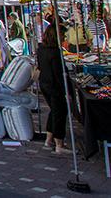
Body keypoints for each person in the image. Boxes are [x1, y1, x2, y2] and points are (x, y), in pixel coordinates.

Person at [38, 22, 70, 155]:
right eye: (63, 35)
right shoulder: (55, 53)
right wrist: (66, 91)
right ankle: (59, 144)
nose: (65, 38)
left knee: (54, 111)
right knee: (60, 113)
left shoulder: (41, 49)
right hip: (54, 87)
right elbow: (59, 74)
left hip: (44, 84)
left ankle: (49, 139)